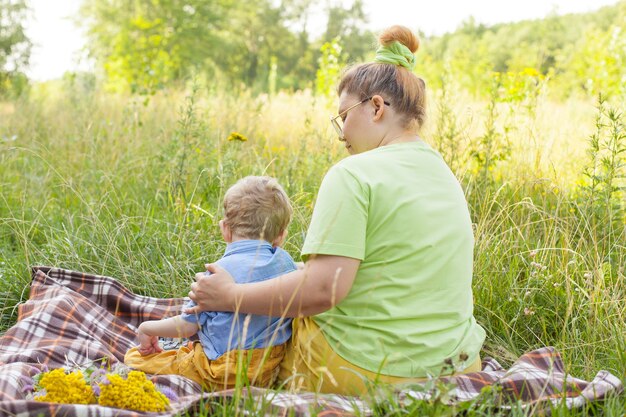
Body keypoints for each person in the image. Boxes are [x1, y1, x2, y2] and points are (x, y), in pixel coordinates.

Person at [185, 25, 486, 395]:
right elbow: (390, 269)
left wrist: (228, 296)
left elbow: (322, 290)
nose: (341, 133)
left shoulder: (353, 173)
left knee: (272, 329)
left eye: (343, 116)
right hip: (455, 368)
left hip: (367, 371)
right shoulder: (442, 172)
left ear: (376, 107)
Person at [124, 176, 297, 390]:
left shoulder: (215, 276)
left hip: (221, 372)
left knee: (135, 357)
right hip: (268, 369)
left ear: (225, 229)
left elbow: (187, 326)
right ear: (280, 236)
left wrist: (148, 328)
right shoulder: (287, 264)